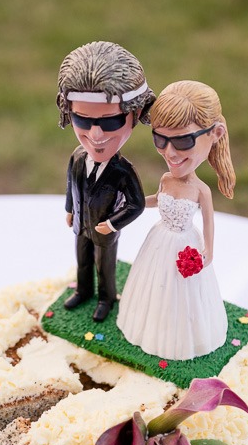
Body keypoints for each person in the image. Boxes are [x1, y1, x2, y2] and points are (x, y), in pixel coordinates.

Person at [117, 80, 236, 360]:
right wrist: (130, 204)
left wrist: (208, 252)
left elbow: (209, 224)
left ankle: (180, 341)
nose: (170, 152)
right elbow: (157, 199)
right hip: (158, 242)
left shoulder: (201, 191)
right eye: (160, 140)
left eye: (182, 141)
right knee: (152, 290)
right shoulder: (166, 179)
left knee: (184, 299)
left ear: (215, 134)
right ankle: (149, 330)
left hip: (186, 247)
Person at [57, 41, 155, 322]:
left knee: (105, 266)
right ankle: (84, 291)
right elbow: (70, 185)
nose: (96, 135)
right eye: (82, 120)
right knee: (83, 261)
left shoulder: (123, 171)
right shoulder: (76, 158)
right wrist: (69, 209)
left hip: (104, 230)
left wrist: (112, 224)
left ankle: (106, 298)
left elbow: (136, 204)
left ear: (136, 113)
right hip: (81, 224)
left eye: (111, 122)